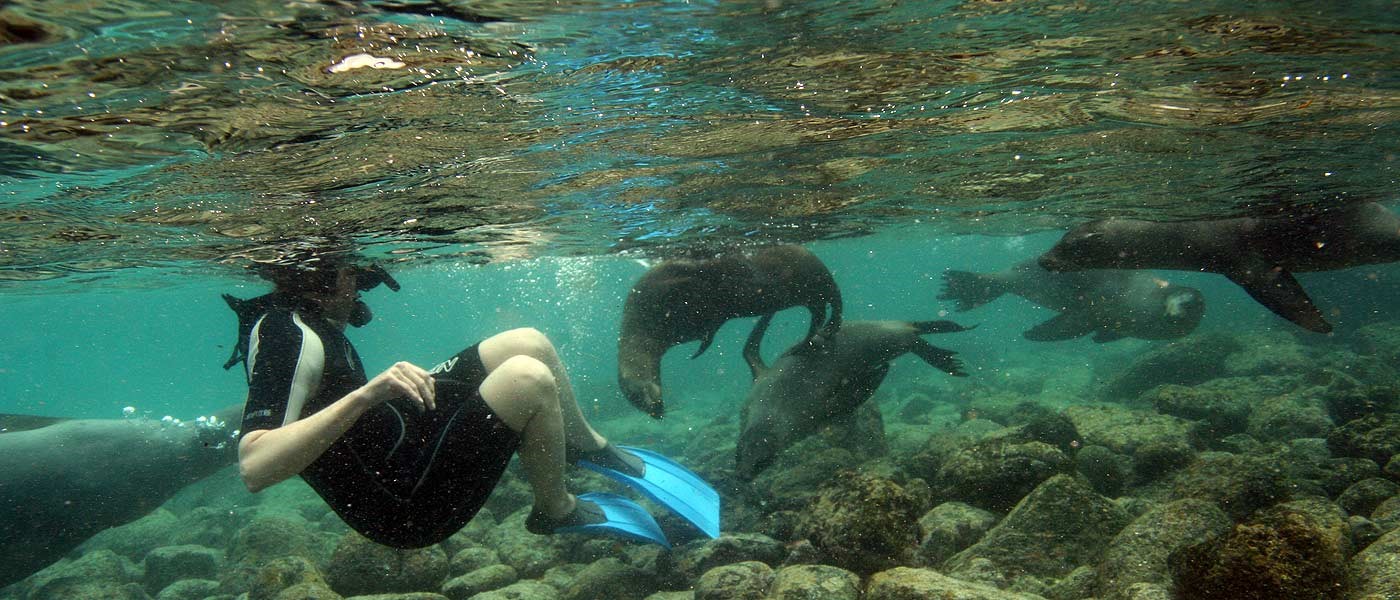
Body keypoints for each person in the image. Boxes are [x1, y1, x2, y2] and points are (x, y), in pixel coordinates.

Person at [223, 247, 702, 548]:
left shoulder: (303, 321)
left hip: (401, 445)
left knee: (525, 342)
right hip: (405, 504)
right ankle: (554, 509)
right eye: (354, 271)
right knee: (527, 377)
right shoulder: (289, 335)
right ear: (338, 278)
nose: (361, 284)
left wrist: (376, 398)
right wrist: (368, 395)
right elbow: (255, 466)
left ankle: (582, 444)